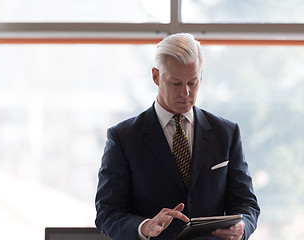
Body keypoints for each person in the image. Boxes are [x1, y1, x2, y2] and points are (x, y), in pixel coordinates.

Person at [95, 33, 260, 240]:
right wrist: (145, 227)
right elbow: (107, 214)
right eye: (176, 83)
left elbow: (246, 203)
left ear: (201, 76)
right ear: (155, 76)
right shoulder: (123, 138)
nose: (186, 93)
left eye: (192, 82)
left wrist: (242, 225)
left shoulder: (226, 133)